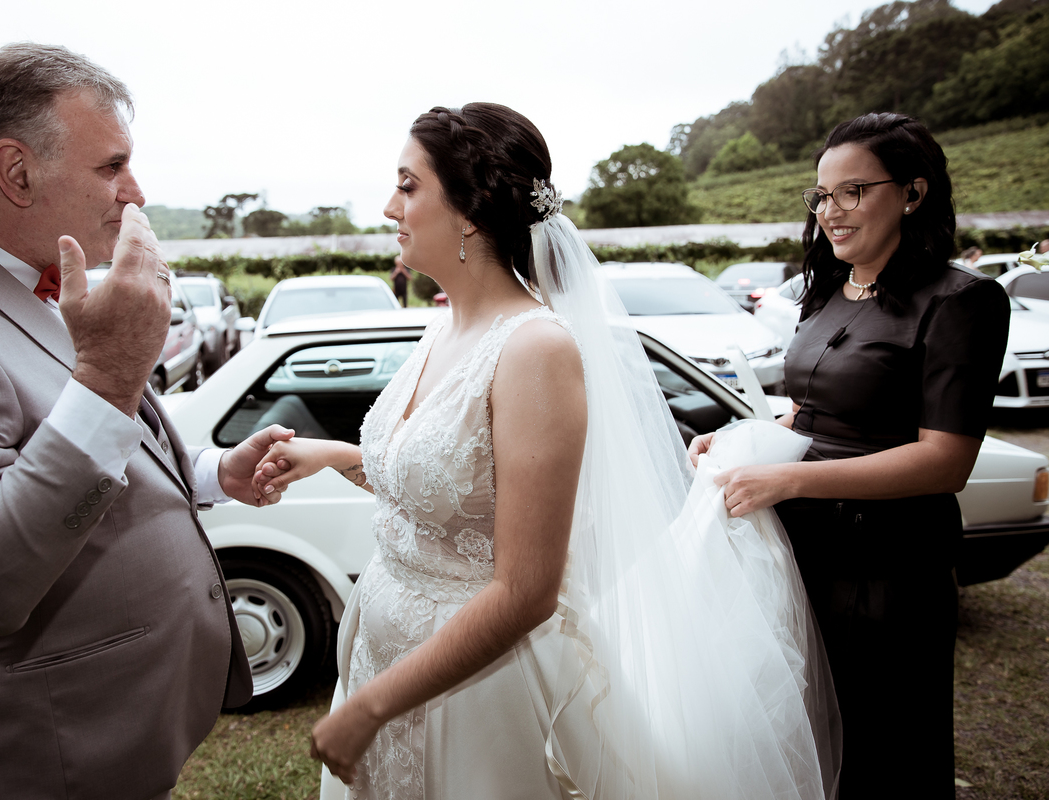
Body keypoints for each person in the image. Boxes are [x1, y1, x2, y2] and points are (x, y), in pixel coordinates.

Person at [254, 103, 840, 800]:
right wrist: (330, 455)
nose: (389, 207)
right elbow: (444, 495)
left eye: (408, 186)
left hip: (471, 693)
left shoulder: (536, 348)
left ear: (468, 210)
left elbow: (526, 590)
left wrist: (375, 705)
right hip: (382, 647)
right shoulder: (442, 329)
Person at [0, 43, 292, 799]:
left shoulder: (44, 277)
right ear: (16, 170)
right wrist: (112, 372)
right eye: (111, 165)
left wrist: (213, 474)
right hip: (46, 756)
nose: (135, 191)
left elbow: (79, 447)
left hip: (119, 732)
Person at [690, 112, 1010, 799]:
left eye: (853, 192)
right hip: (804, 549)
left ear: (913, 193)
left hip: (887, 567)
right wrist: (746, 435)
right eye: (821, 196)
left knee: (882, 751)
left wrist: (787, 479)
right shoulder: (828, 293)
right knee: (807, 740)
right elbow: (814, 410)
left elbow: (945, 462)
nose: (830, 212)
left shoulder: (962, 301)